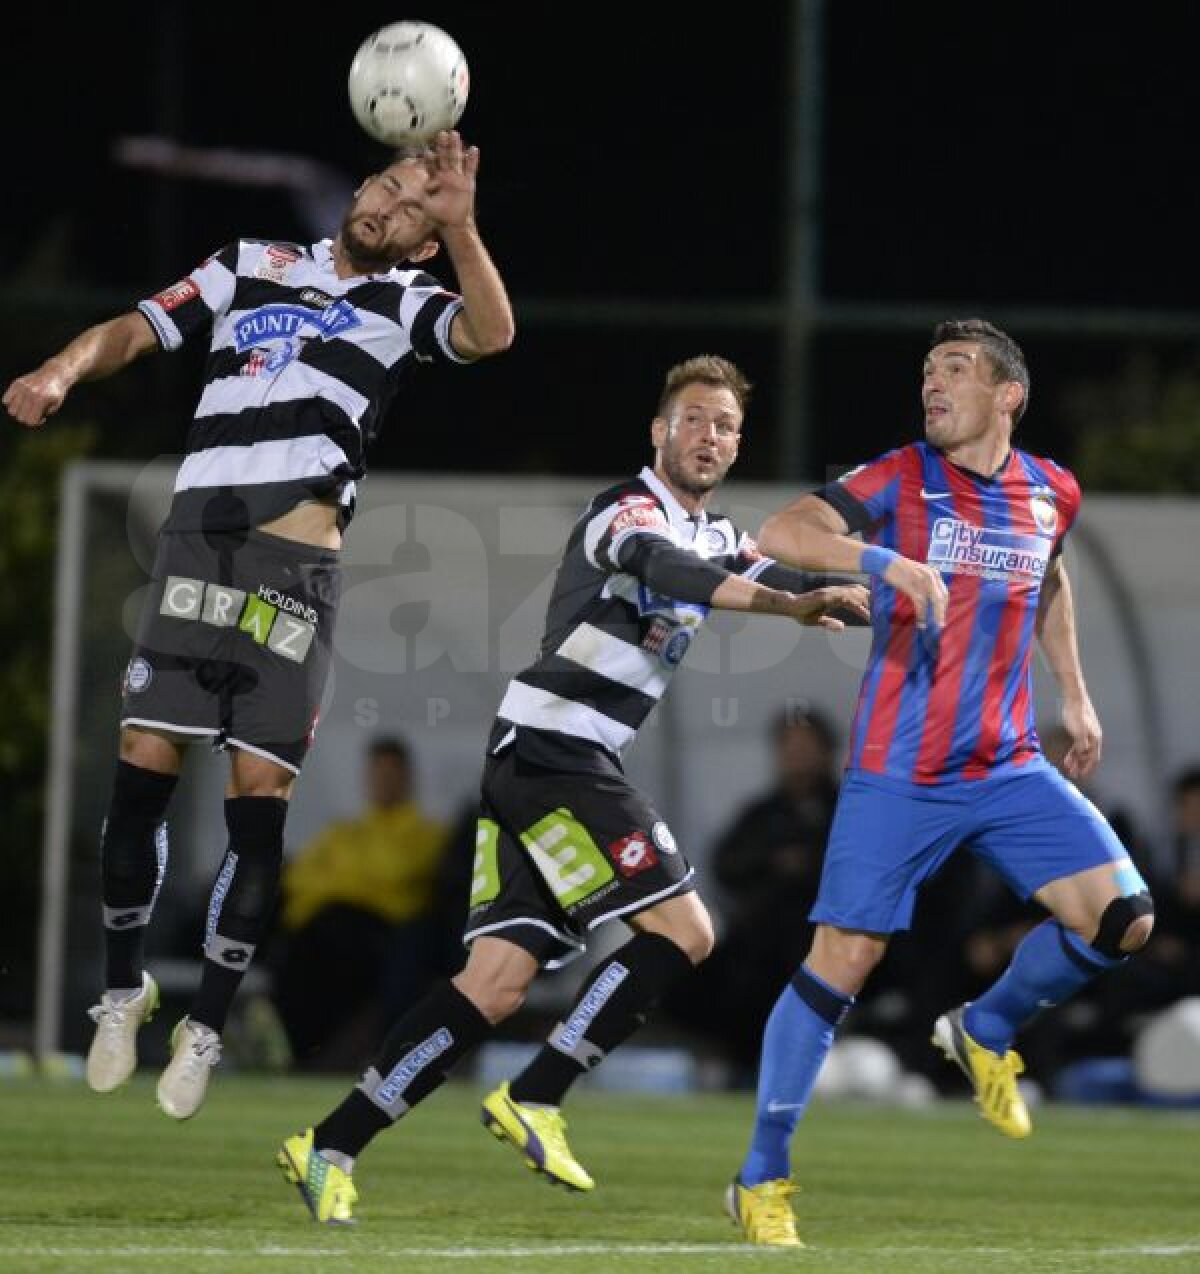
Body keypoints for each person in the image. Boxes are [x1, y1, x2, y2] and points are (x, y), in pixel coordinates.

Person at [274, 354, 870, 1224]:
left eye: (728, 427)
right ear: (658, 431)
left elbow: (780, 576)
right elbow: (671, 572)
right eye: (696, 419)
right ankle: (538, 1094)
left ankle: (326, 1148)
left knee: (493, 983)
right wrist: (791, 609)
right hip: (557, 752)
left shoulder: (718, 534)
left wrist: (864, 589)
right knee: (685, 929)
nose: (711, 436)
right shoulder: (624, 512)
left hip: (545, 759)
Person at [2, 131, 514, 1119]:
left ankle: (208, 1025)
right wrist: (64, 371)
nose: (393, 205)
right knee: (141, 775)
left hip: (295, 573)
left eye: (415, 206)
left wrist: (463, 226)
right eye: (388, 185)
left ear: (419, 242)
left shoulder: (409, 301)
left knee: (256, 800)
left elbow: (492, 334)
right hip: (196, 551)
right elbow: (139, 326)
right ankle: (123, 991)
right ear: (356, 187)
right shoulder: (251, 264)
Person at [726, 319, 1155, 1247]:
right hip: (900, 771)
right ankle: (761, 1179)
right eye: (927, 369)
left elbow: (1048, 576)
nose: (933, 382)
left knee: (1123, 919)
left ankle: (986, 1030)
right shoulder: (900, 478)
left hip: (1007, 766)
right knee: (843, 963)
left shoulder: (1051, 491)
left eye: (955, 369)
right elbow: (782, 528)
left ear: (1009, 396)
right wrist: (883, 560)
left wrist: (1075, 696)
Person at [664, 705, 840, 1074]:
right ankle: (736, 1065)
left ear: (827, 752)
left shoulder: (847, 810)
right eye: (788, 747)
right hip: (757, 941)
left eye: (805, 746)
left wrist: (807, 867)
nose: (796, 756)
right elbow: (726, 865)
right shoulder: (762, 814)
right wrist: (774, 864)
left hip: (823, 938)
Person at [272, 736, 451, 1068]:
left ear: (406, 777)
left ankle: (326, 1055)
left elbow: (394, 873)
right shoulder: (346, 830)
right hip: (325, 928)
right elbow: (297, 878)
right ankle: (300, 1052)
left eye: (390, 772)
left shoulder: (425, 832)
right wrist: (348, 881)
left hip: (381, 931)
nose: (382, 781)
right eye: (376, 772)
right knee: (297, 955)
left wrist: (336, 881)